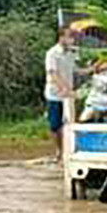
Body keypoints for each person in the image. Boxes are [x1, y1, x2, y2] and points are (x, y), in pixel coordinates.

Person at [44, 25, 77, 161]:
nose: (72, 39)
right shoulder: (52, 53)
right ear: (61, 37)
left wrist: (93, 68)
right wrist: (64, 88)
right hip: (54, 94)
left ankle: (68, 150)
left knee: (69, 123)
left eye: (72, 37)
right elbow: (53, 74)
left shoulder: (71, 53)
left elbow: (75, 69)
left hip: (68, 97)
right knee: (55, 124)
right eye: (69, 36)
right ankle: (59, 150)